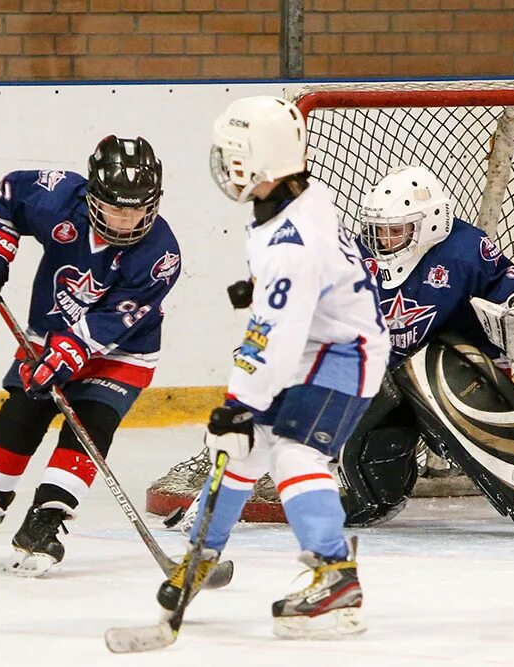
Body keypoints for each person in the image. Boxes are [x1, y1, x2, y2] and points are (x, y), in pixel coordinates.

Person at [155, 96, 390, 639]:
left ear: (252, 161)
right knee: (239, 448)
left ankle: (335, 577)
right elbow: (300, 292)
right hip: (319, 340)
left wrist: (240, 401)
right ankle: (203, 554)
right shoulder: (292, 199)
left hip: (341, 355)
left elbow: (276, 336)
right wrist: (266, 291)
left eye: (230, 153)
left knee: (292, 450)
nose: (222, 162)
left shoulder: (292, 244)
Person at [0, 136, 180, 576]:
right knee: (17, 420)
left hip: (122, 353)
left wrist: (69, 353)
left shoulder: (160, 255)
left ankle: (46, 520)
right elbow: (1, 201)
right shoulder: (59, 198)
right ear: (92, 196)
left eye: (138, 208)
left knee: (91, 426)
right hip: (47, 334)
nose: (127, 219)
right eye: (116, 207)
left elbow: (114, 323)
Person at [337, 164, 514, 536]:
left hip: (455, 372)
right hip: (387, 375)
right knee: (366, 462)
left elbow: (507, 285)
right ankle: (371, 496)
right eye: (378, 230)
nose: (383, 240)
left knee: (433, 369)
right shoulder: (359, 256)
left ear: (429, 223)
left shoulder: (464, 249)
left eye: (394, 230)